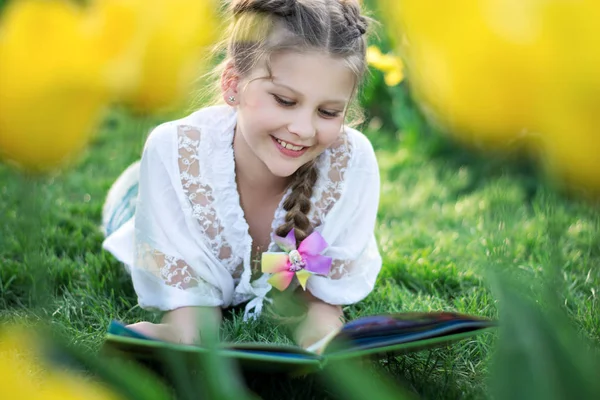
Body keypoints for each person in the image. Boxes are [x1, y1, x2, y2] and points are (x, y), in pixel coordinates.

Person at [101, 0, 382, 351]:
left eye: (327, 111)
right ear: (233, 82)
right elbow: (185, 290)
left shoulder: (351, 163)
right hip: (145, 199)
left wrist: (322, 325)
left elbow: (327, 290)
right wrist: (186, 328)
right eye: (284, 100)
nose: (302, 129)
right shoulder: (173, 151)